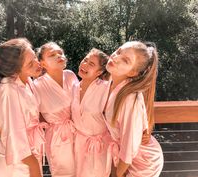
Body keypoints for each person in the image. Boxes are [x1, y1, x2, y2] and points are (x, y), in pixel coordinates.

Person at [0, 38, 45, 177]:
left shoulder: (27, 81)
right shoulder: (9, 90)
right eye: (30, 64)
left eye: (34, 56)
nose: (37, 63)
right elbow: (14, 135)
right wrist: (34, 166)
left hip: (30, 155)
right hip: (17, 162)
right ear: (15, 70)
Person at [104, 41, 164, 177]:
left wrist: (116, 175)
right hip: (124, 155)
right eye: (118, 51)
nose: (116, 57)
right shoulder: (109, 83)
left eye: (125, 60)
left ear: (133, 72)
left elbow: (129, 147)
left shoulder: (129, 99)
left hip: (144, 161)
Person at [34, 42, 78, 177]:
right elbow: (33, 113)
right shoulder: (37, 85)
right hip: (57, 137)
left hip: (79, 131)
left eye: (60, 52)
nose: (59, 55)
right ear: (42, 63)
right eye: (52, 54)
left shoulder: (70, 75)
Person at [71, 48, 111, 177]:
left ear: (99, 72)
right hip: (77, 144)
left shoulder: (106, 88)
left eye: (91, 64)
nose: (84, 64)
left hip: (100, 147)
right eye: (85, 60)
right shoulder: (74, 87)